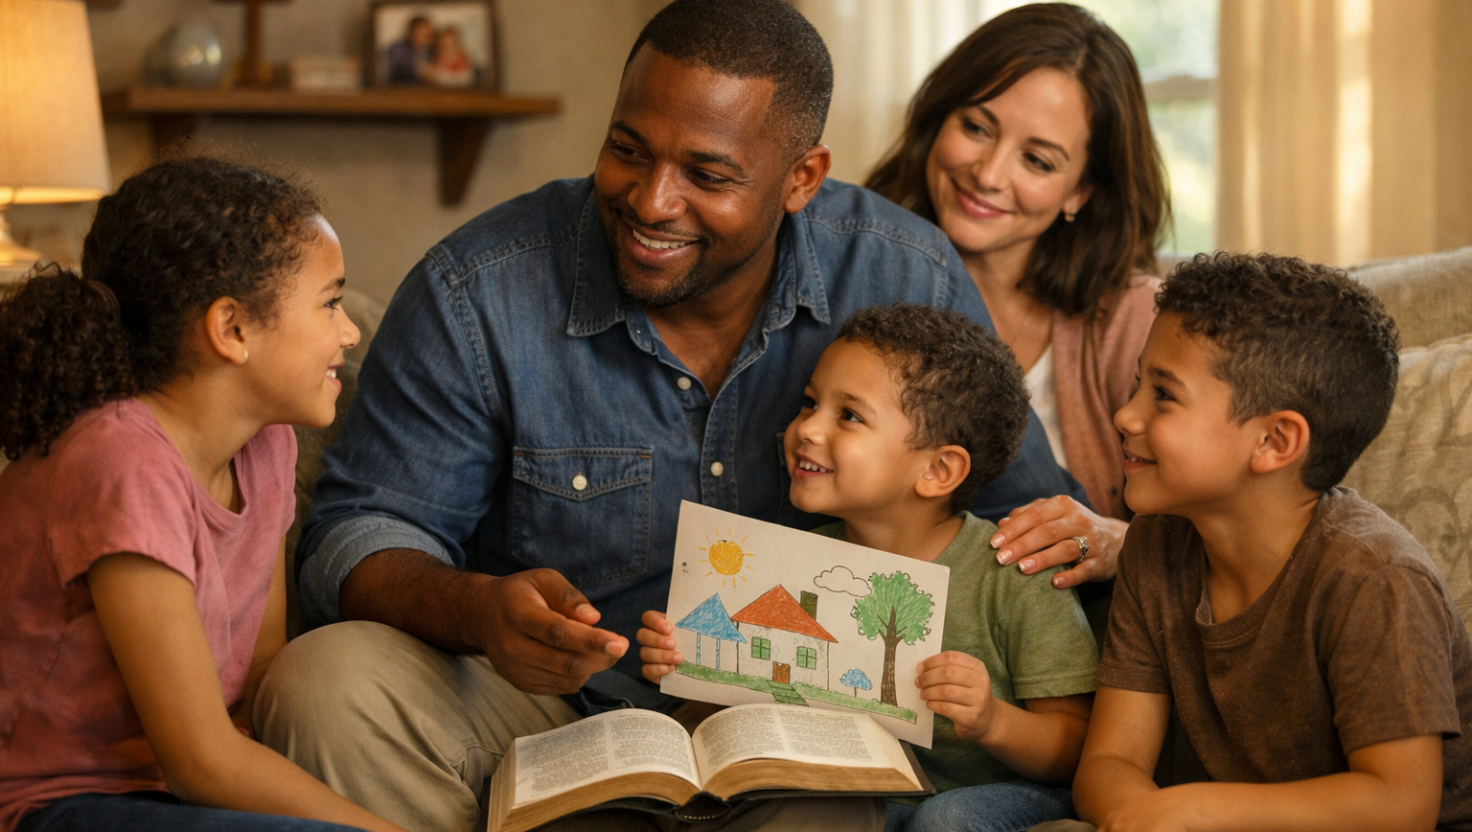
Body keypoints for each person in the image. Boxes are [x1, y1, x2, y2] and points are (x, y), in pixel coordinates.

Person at [256, 1, 1087, 831]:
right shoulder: (479, 291)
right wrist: (476, 608)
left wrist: (1112, 541)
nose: (651, 202)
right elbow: (358, 535)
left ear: (802, 178)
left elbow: (1019, 517)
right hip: (550, 710)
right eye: (627, 150)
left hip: (803, 733)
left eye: (709, 175)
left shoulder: (901, 269)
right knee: (323, 682)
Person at [0, 157, 404, 832]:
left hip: (165, 792)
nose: (350, 331)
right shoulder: (122, 464)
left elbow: (256, 679)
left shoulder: (268, 444)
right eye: (331, 302)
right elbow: (202, 762)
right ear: (233, 329)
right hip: (54, 803)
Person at [1035, 253, 1472, 832]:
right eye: (1140, 383)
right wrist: (1140, 816)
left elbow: (1401, 804)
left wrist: (1191, 809)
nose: (1125, 414)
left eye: (1163, 395)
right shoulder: (1157, 545)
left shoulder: (1374, 578)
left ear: (1274, 440)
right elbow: (1109, 763)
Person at [639, 304, 1100, 832]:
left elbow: (1075, 748)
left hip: (990, 799)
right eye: (810, 403)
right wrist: (688, 665)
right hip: (867, 799)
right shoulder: (793, 564)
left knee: (944, 821)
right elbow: (757, 702)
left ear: (938, 470)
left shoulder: (1015, 573)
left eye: (849, 415)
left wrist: (991, 720)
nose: (806, 428)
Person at [866, 3, 1170, 591]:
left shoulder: (1136, 321)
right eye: (977, 127)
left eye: (1036, 160)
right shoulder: (848, 266)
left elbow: (1237, 524)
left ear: (1080, 189)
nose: (988, 173)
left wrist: (1115, 541)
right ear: (939, 118)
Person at [383, 15, 433, 85]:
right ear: (411, 32)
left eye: (428, 35)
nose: (426, 39)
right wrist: (419, 71)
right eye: (422, 34)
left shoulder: (429, 50)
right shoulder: (398, 50)